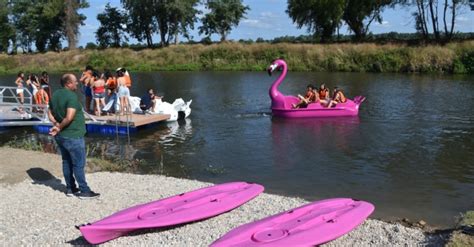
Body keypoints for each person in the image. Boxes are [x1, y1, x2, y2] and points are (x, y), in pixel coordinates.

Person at [47, 73, 100, 199]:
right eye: (75, 81)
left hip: (61, 136)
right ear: (68, 83)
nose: (77, 83)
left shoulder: (55, 95)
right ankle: (84, 191)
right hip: (73, 135)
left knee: (66, 162)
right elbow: (69, 117)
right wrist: (59, 126)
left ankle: (71, 189)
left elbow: (49, 113)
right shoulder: (71, 96)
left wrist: (56, 124)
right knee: (78, 164)